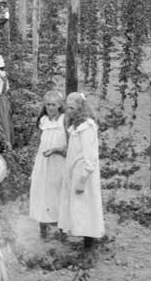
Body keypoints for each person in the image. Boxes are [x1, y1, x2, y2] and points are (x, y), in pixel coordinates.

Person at [58, 92, 104, 250]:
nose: (69, 111)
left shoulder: (87, 127)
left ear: (80, 108)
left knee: (86, 206)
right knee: (79, 208)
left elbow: (89, 155)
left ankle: (89, 244)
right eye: (67, 107)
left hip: (84, 172)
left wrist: (83, 178)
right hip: (75, 170)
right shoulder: (76, 126)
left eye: (72, 108)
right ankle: (85, 241)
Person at [29, 90, 67, 240]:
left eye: (54, 105)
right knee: (42, 193)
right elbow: (38, 142)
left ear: (59, 106)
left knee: (59, 193)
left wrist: (58, 150)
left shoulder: (64, 120)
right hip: (43, 162)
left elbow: (70, 143)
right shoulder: (43, 120)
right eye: (48, 104)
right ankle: (43, 229)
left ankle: (62, 229)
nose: (50, 107)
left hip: (59, 162)